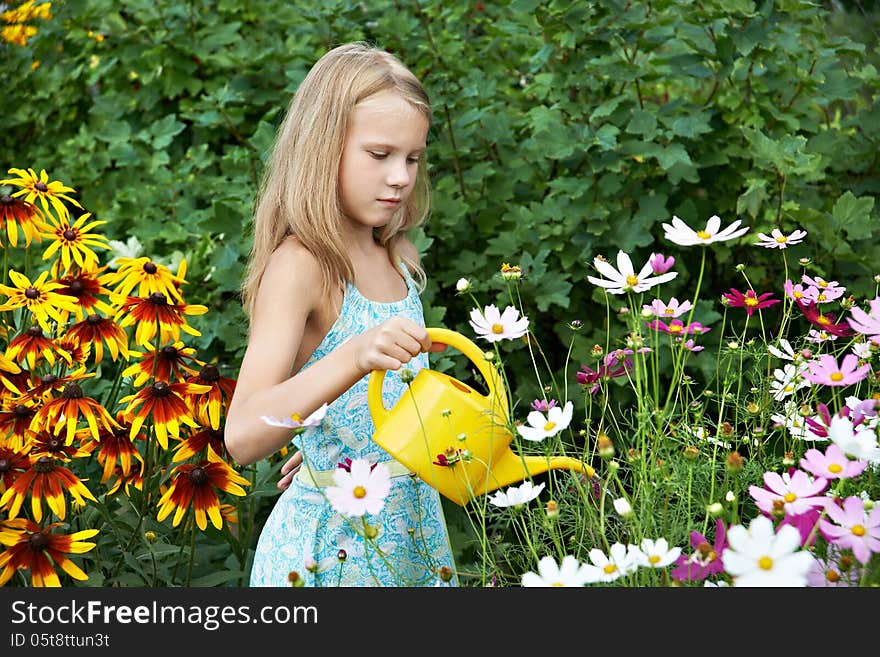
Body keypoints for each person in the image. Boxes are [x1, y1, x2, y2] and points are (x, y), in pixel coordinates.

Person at [225, 42, 459, 587]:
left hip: (412, 537)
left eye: (413, 158)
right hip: (332, 553)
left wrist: (329, 451)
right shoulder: (302, 265)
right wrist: (355, 356)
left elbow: (375, 415)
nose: (401, 176)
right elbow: (242, 435)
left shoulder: (397, 254)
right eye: (379, 155)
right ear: (321, 149)